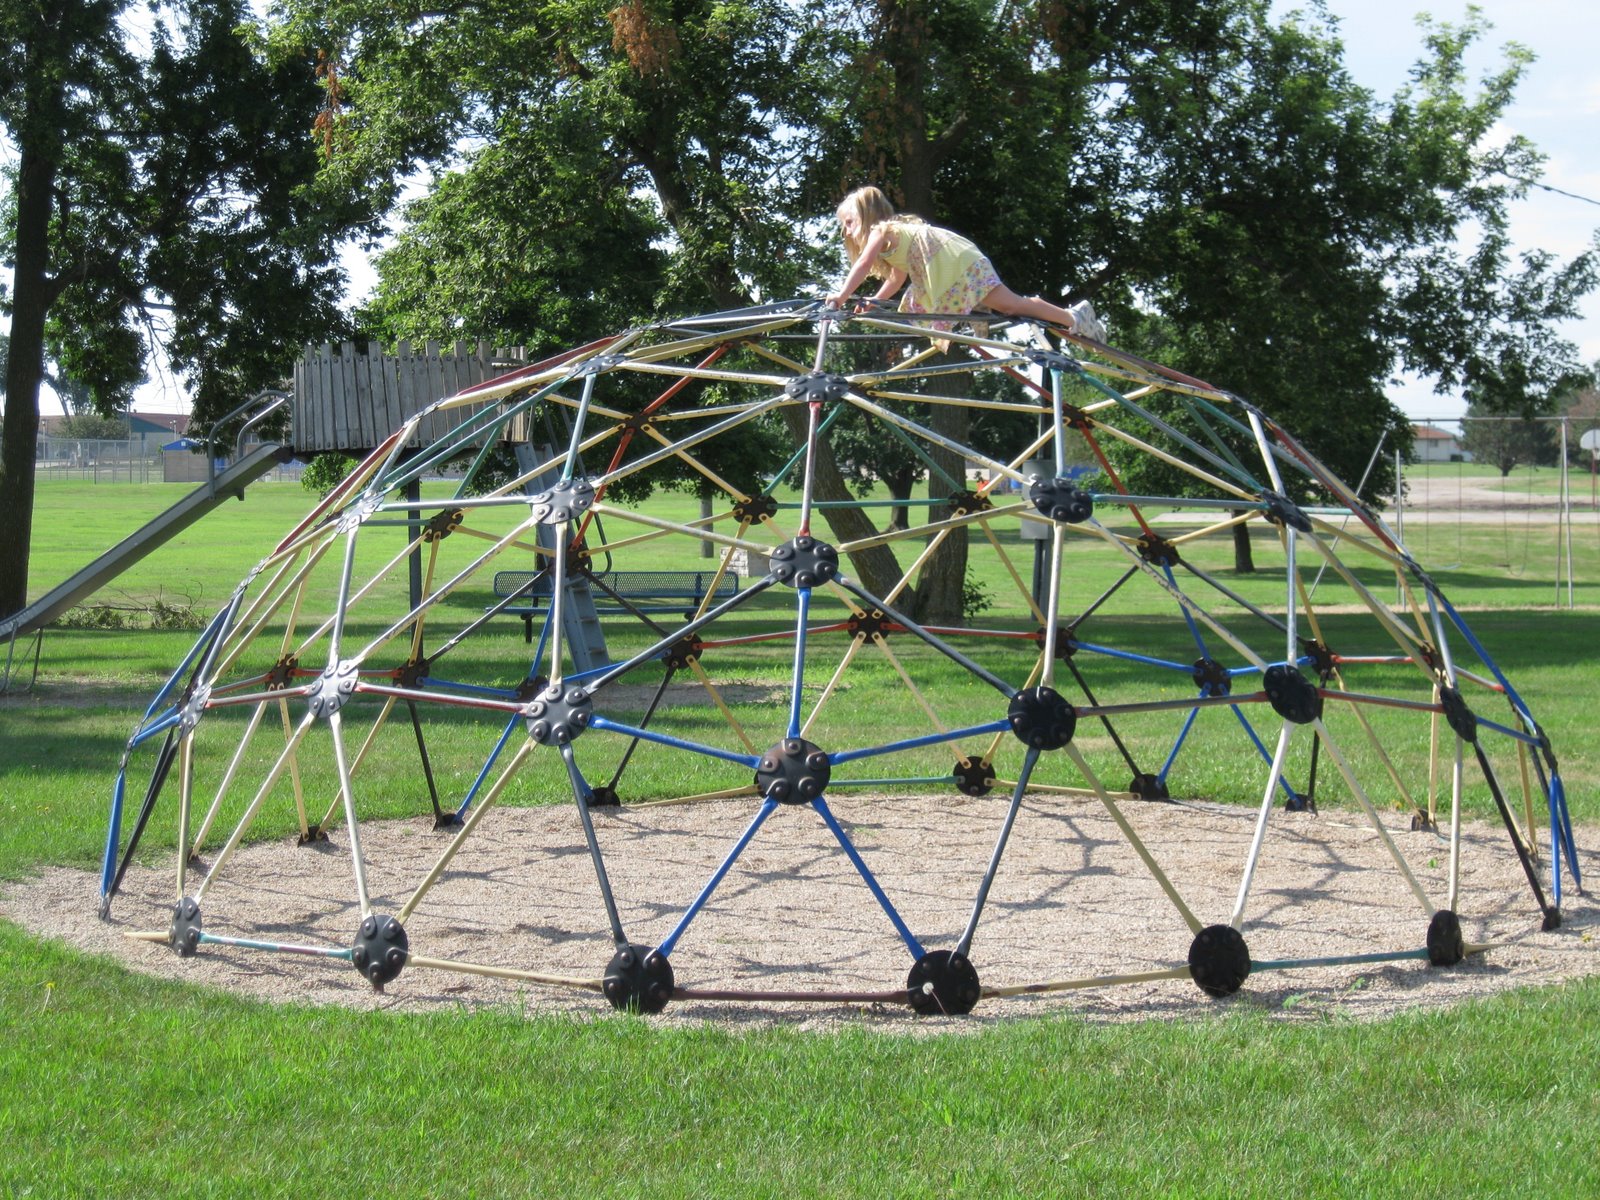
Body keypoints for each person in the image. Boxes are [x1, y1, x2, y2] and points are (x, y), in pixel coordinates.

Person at [827, 186, 1105, 342]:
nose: (847, 232)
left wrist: (842, 295)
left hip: (956, 264)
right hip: (950, 265)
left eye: (849, 223)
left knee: (1011, 304)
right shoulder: (892, 245)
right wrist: (875, 301)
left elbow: (863, 264)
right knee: (1008, 304)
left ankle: (1074, 317)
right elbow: (897, 280)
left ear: (867, 217)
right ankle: (979, 310)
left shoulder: (882, 230)